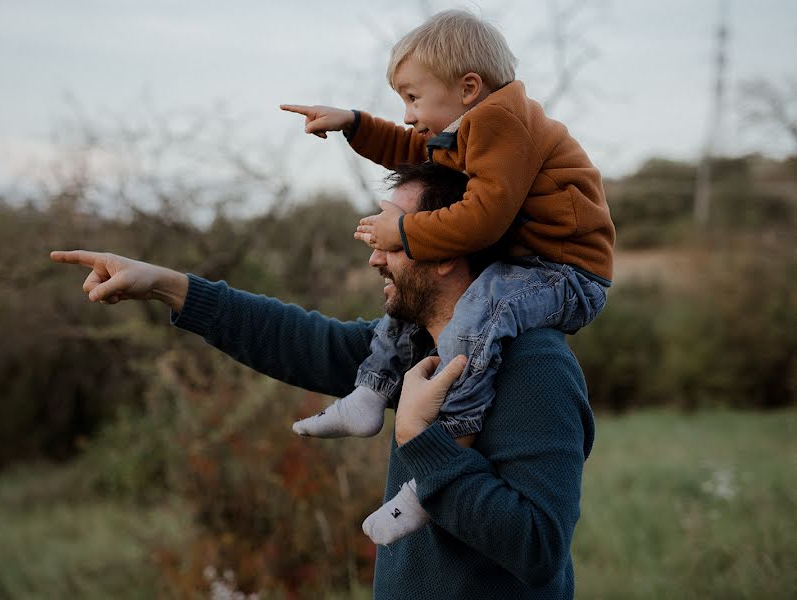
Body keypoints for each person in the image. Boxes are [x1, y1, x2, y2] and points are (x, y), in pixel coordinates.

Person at [50, 162, 595, 599]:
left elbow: (538, 547)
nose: (374, 257)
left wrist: (421, 444)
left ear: (447, 251)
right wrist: (165, 284)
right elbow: (302, 340)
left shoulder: (534, 364)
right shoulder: (415, 346)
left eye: (391, 239)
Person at [280, 8, 613, 543]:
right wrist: (354, 124)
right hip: (528, 263)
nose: (409, 114)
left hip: (567, 273)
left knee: (472, 323)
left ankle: (436, 468)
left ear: (468, 87)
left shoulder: (502, 121)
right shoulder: (473, 127)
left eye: (413, 98)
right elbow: (416, 150)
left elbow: (485, 218)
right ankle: (370, 394)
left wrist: (404, 234)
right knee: (411, 303)